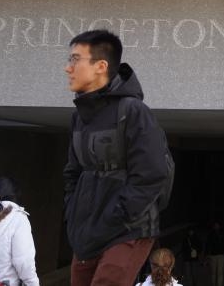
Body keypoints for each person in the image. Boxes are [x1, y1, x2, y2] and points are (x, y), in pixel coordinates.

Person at [64, 29, 172, 286]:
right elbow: (72, 172)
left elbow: (153, 173)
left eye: (75, 59)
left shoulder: (133, 111)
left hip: (128, 230)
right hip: (86, 232)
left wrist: (118, 216)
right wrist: (73, 212)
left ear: (101, 66)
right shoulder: (79, 117)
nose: (68, 68)